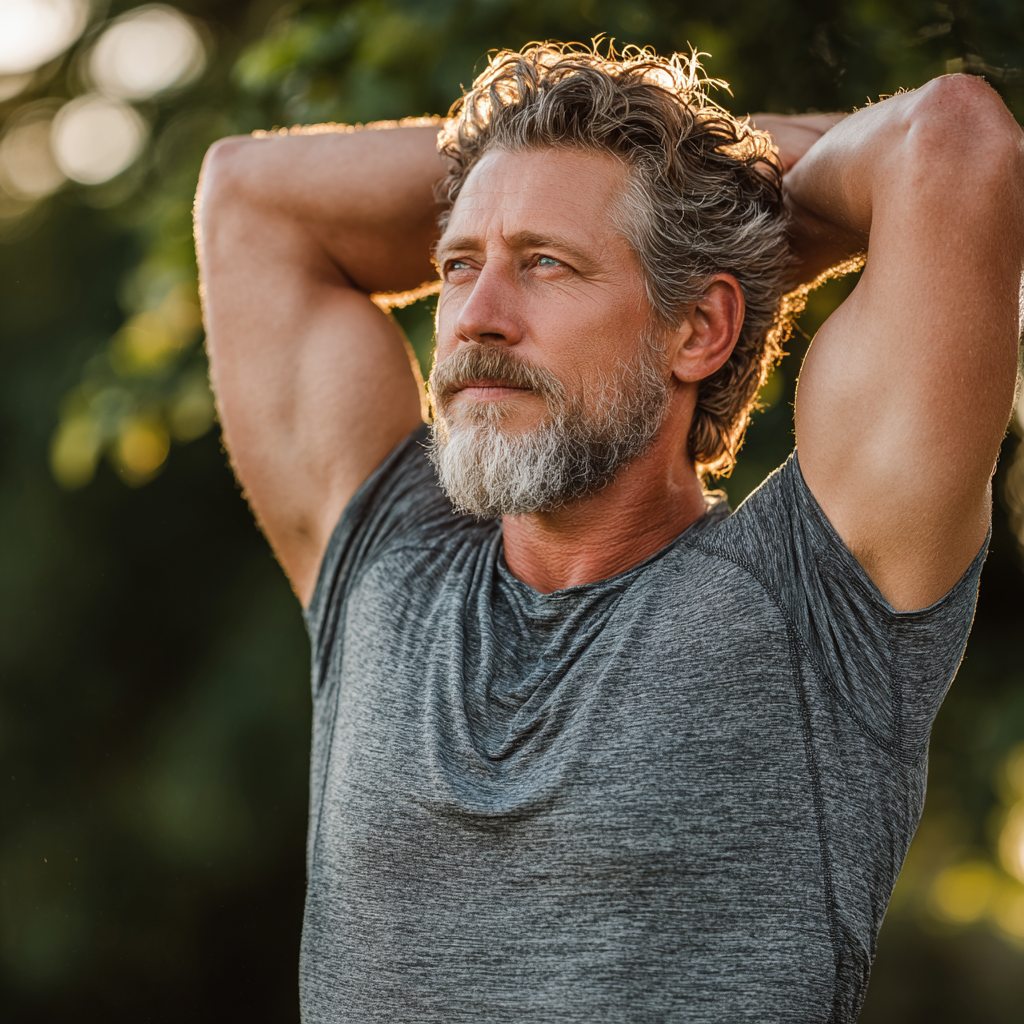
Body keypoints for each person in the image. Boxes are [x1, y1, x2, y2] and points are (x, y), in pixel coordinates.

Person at [194, 42, 1022, 1023]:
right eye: (458, 265)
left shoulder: (816, 599)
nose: (476, 320)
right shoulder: (384, 564)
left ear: (698, 330)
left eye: (546, 265)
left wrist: (708, 206)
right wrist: (713, 193)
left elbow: (954, 142)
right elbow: (247, 195)